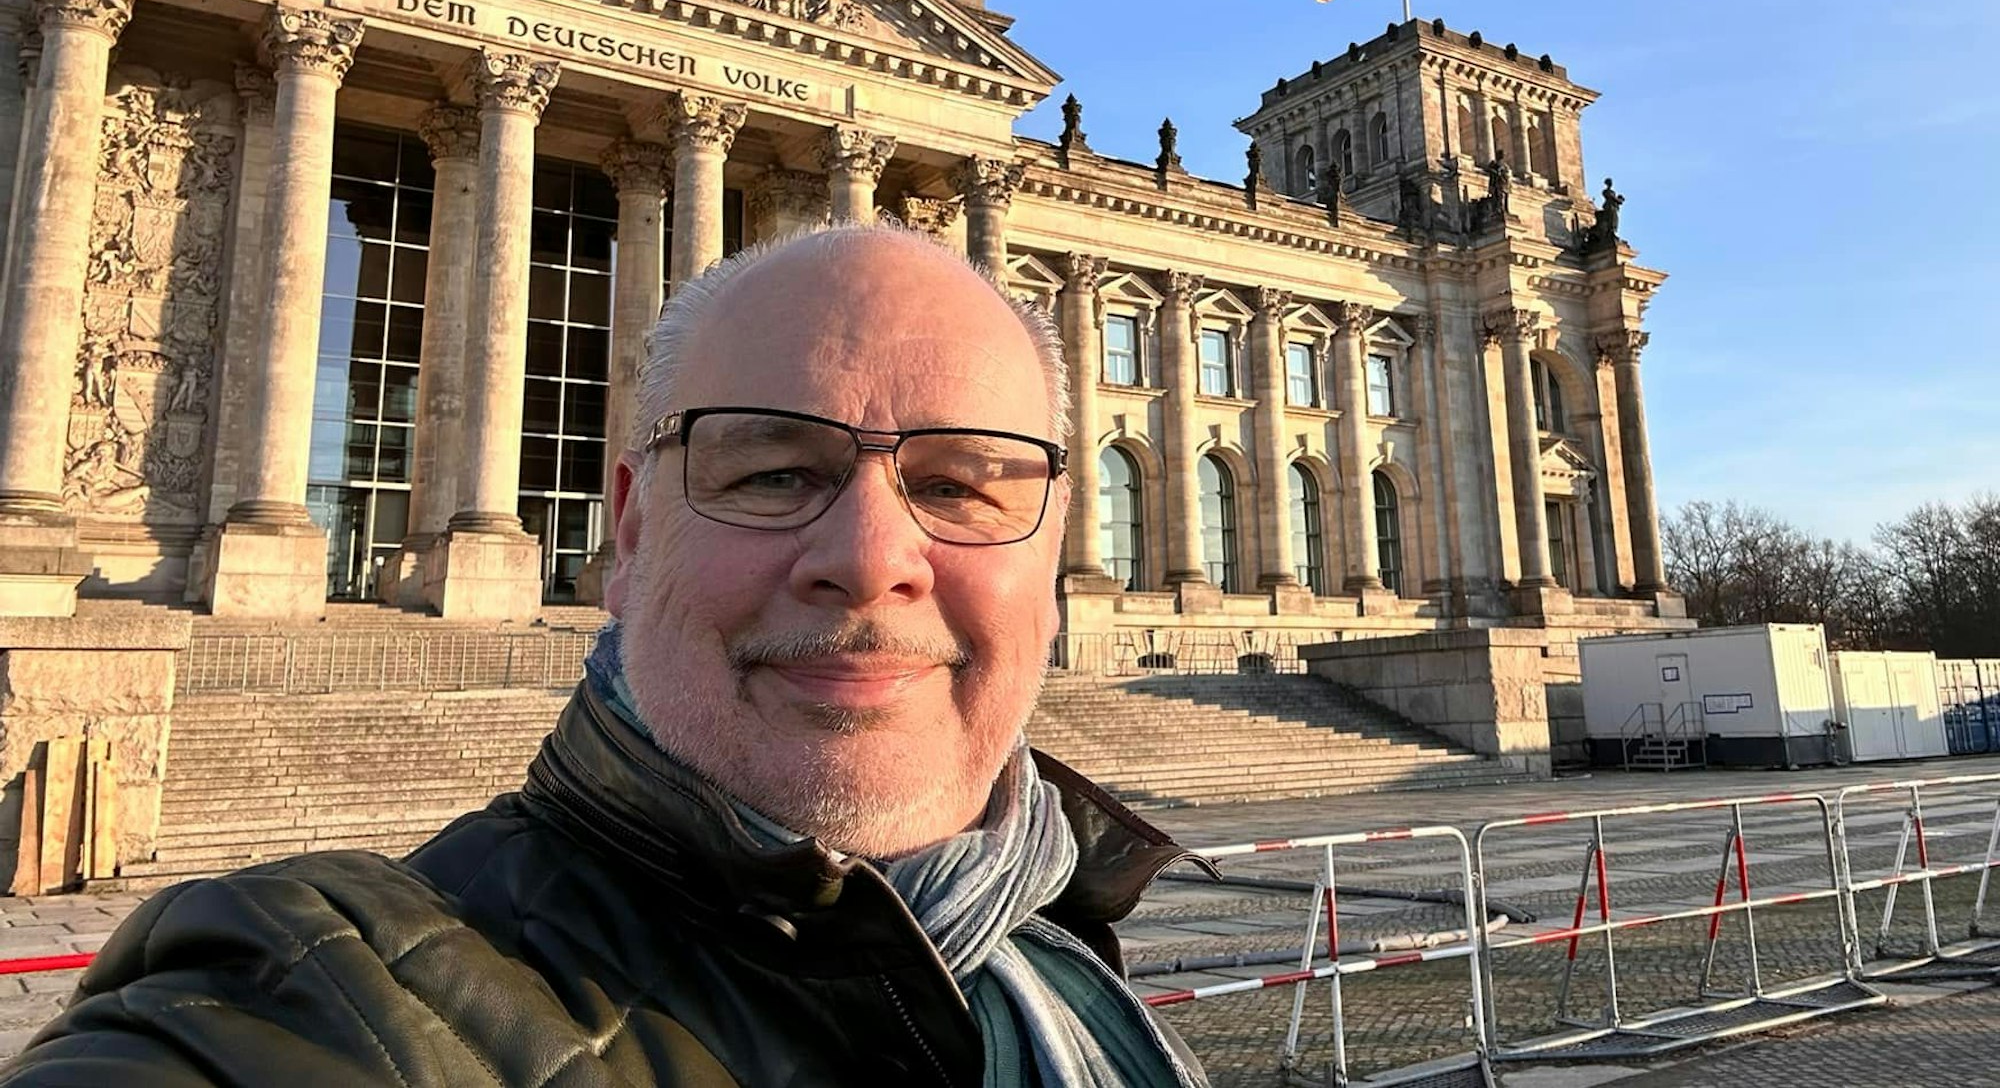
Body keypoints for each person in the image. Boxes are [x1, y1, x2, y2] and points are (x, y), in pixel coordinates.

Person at [2, 224, 1210, 1087]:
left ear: (1053, 550)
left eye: (958, 483)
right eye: (773, 470)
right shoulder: (317, 1000)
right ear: (627, 528)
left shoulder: (1052, 955)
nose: (870, 556)